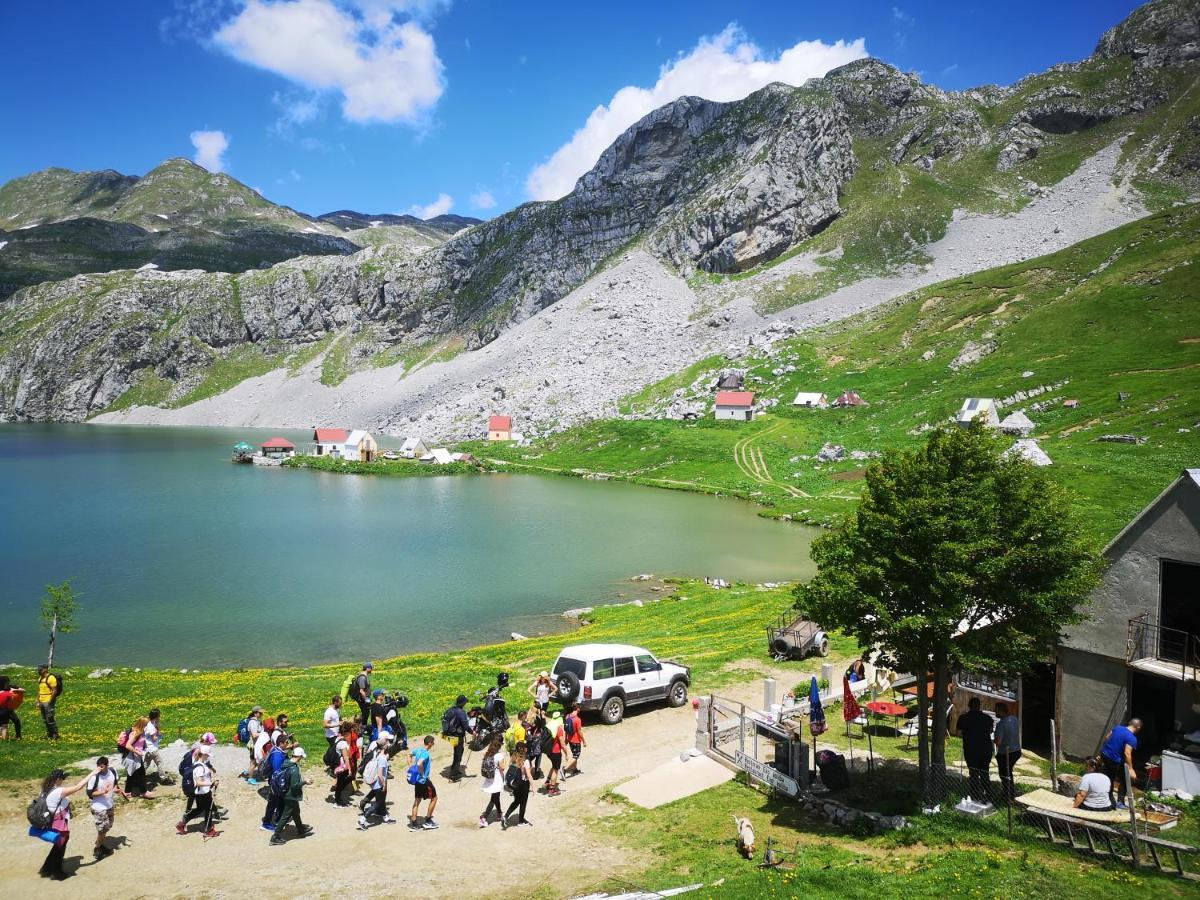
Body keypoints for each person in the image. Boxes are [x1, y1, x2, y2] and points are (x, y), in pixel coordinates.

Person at [36, 766, 100, 880]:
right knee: (60, 846)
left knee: (58, 845)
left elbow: (52, 802)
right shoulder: (58, 791)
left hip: (49, 821)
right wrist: (93, 773)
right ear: (57, 779)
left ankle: (46, 869)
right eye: (62, 779)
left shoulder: (44, 789)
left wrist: (66, 802)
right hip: (58, 823)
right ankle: (56, 872)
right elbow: (78, 787)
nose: (63, 781)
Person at [86, 756, 127, 860]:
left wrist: (117, 791)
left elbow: (114, 786)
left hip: (109, 804)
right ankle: (98, 848)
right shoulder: (94, 777)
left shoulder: (112, 772)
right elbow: (91, 793)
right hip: (98, 807)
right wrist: (103, 792)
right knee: (102, 828)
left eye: (102, 766)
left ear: (107, 765)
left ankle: (100, 843)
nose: (100, 768)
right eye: (98, 766)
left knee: (108, 826)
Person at [272, 747, 314, 845]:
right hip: (291, 796)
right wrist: (305, 782)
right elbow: (294, 786)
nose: (301, 759)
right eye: (301, 757)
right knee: (285, 817)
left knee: (296, 812)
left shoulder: (286, 762)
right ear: (299, 756)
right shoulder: (294, 769)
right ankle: (275, 837)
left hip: (286, 793)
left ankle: (300, 830)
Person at [956, 697, 995, 804]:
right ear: (979, 706)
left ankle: (974, 795)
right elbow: (991, 730)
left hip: (971, 749)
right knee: (984, 772)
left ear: (969, 706)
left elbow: (958, 732)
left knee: (973, 773)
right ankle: (988, 794)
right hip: (985, 749)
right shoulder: (987, 718)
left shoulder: (963, 718)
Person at [176, 744, 219, 838]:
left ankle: (183, 822)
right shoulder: (200, 767)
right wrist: (211, 783)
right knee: (208, 809)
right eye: (207, 755)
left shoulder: (198, 763)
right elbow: (198, 783)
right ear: (203, 754)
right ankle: (208, 830)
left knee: (200, 809)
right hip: (203, 792)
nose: (208, 757)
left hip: (200, 792)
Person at [1100, 718, 1143, 808]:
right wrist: (1131, 769)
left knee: (1108, 776)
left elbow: (1107, 737)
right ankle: (1114, 802)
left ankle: (1109, 799)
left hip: (1104, 754)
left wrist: (1102, 753)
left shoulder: (1117, 727)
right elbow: (1127, 753)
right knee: (1120, 779)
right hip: (1113, 760)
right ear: (1138, 727)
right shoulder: (1132, 738)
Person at [358, 732, 395, 829]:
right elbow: (380, 774)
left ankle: (386, 818)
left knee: (381, 801)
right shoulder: (382, 759)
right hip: (379, 783)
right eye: (388, 743)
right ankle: (362, 820)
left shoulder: (377, 752)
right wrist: (384, 785)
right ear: (385, 746)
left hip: (374, 782)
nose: (389, 744)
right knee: (378, 803)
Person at [261, 733, 291, 832]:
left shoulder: (277, 749)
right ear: (281, 743)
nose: (288, 744)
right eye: (287, 742)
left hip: (277, 783)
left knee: (280, 802)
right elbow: (277, 772)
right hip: (276, 784)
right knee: (272, 803)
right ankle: (266, 823)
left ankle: (278, 819)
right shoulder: (277, 756)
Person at [408, 734, 438, 830]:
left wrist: (410, 767)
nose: (433, 745)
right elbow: (419, 763)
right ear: (429, 743)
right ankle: (428, 820)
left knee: (417, 801)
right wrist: (421, 774)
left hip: (417, 781)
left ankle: (413, 823)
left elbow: (409, 754)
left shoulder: (418, 750)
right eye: (432, 743)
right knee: (434, 798)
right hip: (423, 780)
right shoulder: (425, 753)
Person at [122, 716, 156, 798]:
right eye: (147, 724)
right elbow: (128, 745)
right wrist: (136, 751)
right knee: (141, 774)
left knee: (131, 773)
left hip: (136, 756)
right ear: (142, 724)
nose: (148, 726)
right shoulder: (136, 733)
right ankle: (143, 792)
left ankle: (127, 792)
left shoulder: (139, 731)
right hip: (134, 756)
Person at [501, 740, 533, 829]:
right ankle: (521, 820)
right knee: (523, 802)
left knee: (516, 801)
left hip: (514, 784)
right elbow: (528, 775)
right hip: (523, 784)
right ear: (525, 749)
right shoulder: (525, 760)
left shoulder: (513, 757)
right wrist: (533, 786)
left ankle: (505, 816)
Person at [993, 702, 1021, 804]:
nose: (994, 711)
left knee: (1004, 775)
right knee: (1009, 773)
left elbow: (999, 742)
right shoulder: (1014, 719)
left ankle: (1008, 796)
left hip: (1006, 753)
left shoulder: (1000, 724)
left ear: (1000, 711)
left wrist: (994, 740)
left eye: (996, 710)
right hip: (1017, 751)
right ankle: (1010, 793)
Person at [479, 733, 506, 827]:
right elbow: (502, 768)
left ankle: (499, 813)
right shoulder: (499, 755)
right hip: (497, 779)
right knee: (493, 799)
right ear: (501, 744)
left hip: (490, 778)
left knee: (496, 796)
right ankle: (484, 818)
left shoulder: (489, 752)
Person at [443, 694, 471, 781]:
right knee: (458, 753)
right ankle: (454, 775)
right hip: (457, 736)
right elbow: (466, 726)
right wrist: (472, 732)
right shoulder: (461, 712)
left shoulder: (450, 709)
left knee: (457, 751)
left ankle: (454, 769)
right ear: (462, 703)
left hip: (448, 735)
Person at [331, 722, 355, 807]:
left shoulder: (338, 738)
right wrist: (349, 769)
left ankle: (339, 798)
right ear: (347, 733)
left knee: (341, 782)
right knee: (342, 783)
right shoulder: (343, 743)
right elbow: (346, 757)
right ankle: (337, 802)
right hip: (342, 766)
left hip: (338, 765)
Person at [143, 708, 167, 785]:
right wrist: (159, 736)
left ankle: (138, 776)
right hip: (152, 749)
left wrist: (157, 725)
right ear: (156, 716)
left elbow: (157, 729)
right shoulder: (151, 727)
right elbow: (154, 739)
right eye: (158, 716)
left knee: (146, 764)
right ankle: (163, 778)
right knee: (160, 763)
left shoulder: (150, 724)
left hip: (148, 749)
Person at [36, 665, 60, 740]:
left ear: (45, 669)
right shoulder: (40, 678)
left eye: (40, 670)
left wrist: (50, 700)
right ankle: (49, 733)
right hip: (41, 700)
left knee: (49, 718)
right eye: (39, 670)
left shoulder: (51, 678)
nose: (39, 671)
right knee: (44, 718)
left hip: (48, 700)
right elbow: (40, 690)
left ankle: (55, 734)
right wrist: (37, 699)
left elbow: (54, 690)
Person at [563, 703, 586, 779]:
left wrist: (566, 739)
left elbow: (566, 729)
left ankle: (574, 769)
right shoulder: (577, 720)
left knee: (574, 754)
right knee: (576, 756)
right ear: (578, 709)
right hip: (576, 740)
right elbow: (579, 732)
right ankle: (565, 769)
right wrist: (584, 741)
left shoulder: (567, 716)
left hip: (570, 740)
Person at [544, 711, 565, 796]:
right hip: (556, 751)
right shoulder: (558, 728)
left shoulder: (549, 725)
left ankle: (547, 782)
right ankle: (552, 790)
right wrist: (566, 754)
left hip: (548, 751)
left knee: (553, 765)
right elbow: (562, 743)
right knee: (556, 770)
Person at [0, 675, 24, 740]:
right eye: (6, 682)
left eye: (8, 682)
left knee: (16, 721)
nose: (7, 683)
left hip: (9, 708)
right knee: (4, 725)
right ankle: (4, 738)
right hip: (2, 708)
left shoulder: (10, 686)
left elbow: (22, 690)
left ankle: (18, 736)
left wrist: (14, 690)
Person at [353, 663, 374, 737]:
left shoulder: (364, 676)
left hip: (364, 698)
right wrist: (366, 700)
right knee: (365, 713)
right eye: (371, 667)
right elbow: (361, 691)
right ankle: (360, 729)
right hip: (362, 699)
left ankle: (361, 728)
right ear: (367, 668)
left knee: (366, 713)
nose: (372, 669)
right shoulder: (362, 678)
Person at [243, 707, 264, 774]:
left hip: (255, 744)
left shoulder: (257, 721)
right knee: (254, 762)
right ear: (255, 713)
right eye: (260, 713)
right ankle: (250, 778)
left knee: (253, 761)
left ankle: (249, 772)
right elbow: (254, 735)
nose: (261, 714)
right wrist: (263, 734)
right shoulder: (253, 722)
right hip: (253, 745)